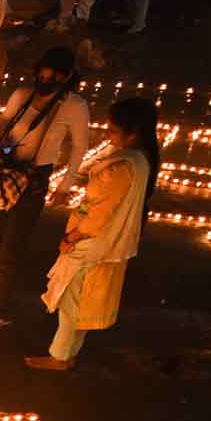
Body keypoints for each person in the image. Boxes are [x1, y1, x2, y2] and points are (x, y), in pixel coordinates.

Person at [0, 46, 89, 332]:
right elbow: (5, 123)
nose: (45, 81)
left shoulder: (73, 106)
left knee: (12, 244)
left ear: (67, 77)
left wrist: (65, 185)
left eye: (52, 77)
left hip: (34, 179)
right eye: (42, 75)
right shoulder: (22, 96)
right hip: (4, 171)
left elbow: (79, 147)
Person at [29, 97, 158, 370]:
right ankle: (68, 353)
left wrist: (72, 237)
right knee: (81, 300)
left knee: (69, 300)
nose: (107, 135)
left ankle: (60, 357)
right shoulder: (141, 161)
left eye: (112, 130)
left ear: (132, 132)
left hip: (92, 243)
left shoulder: (122, 166)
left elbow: (100, 214)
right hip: (105, 244)